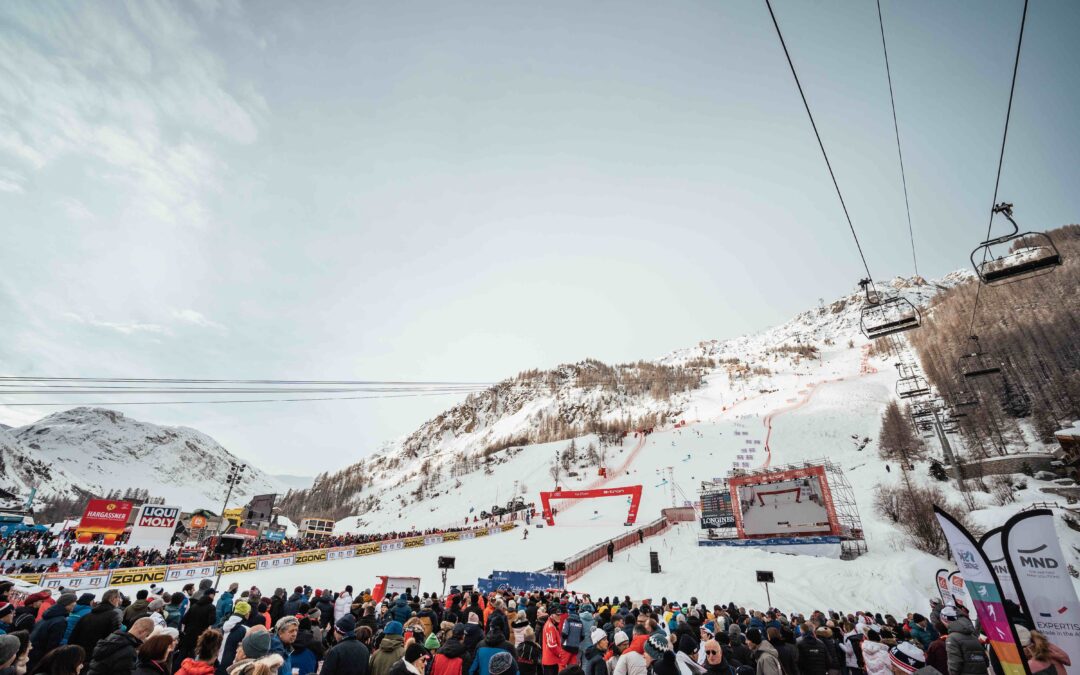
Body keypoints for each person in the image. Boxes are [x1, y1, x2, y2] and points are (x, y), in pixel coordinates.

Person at [85, 616, 155, 675]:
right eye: (147, 635)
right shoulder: (129, 652)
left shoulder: (112, 638)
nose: (145, 639)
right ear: (143, 631)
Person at [69, 589, 123, 659]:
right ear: (113, 599)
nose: (120, 600)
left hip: (80, 655)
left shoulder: (87, 615)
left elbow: (73, 637)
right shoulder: (114, 615)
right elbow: (114, 639)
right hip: (98, 656)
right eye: (119, 597)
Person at [28, 593, 76, 670]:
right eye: (73, 603)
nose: (75, 605)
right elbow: (53, 644)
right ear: (67, 604)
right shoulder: (60, 620)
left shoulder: (50, 614)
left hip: (32, 652)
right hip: (40, 656)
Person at [219, 601, 251, 674]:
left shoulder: (223, 626)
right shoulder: (246, 630)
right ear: (246, 614)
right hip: (232, 668)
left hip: (217, 664)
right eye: (249, 612)